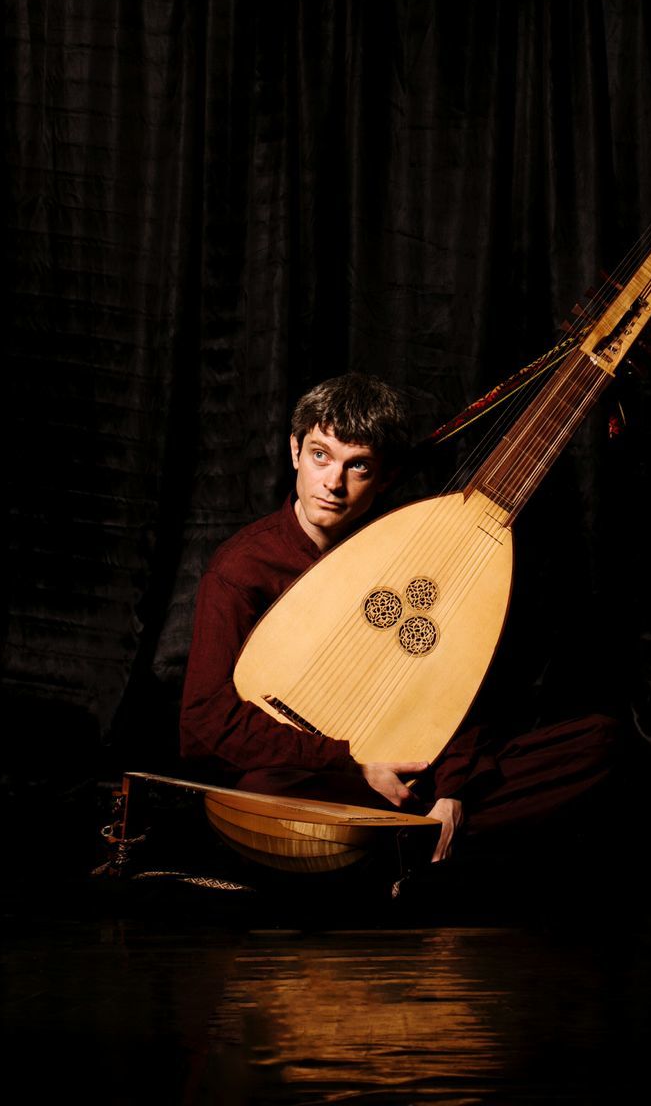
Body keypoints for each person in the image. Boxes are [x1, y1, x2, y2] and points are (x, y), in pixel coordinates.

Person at [179, 372, 621, 868]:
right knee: (269, 794)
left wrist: (454, 790)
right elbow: (203, 726)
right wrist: (354, 763)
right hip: (318, 777)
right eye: (320, 455)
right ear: (295, 452)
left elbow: (452, 684)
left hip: (416, 766)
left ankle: (406, 839)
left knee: (599, 742)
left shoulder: (410, 551)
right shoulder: (244, 568)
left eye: (358, 466)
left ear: (385, 477)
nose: (333, 482)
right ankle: (411, 847)